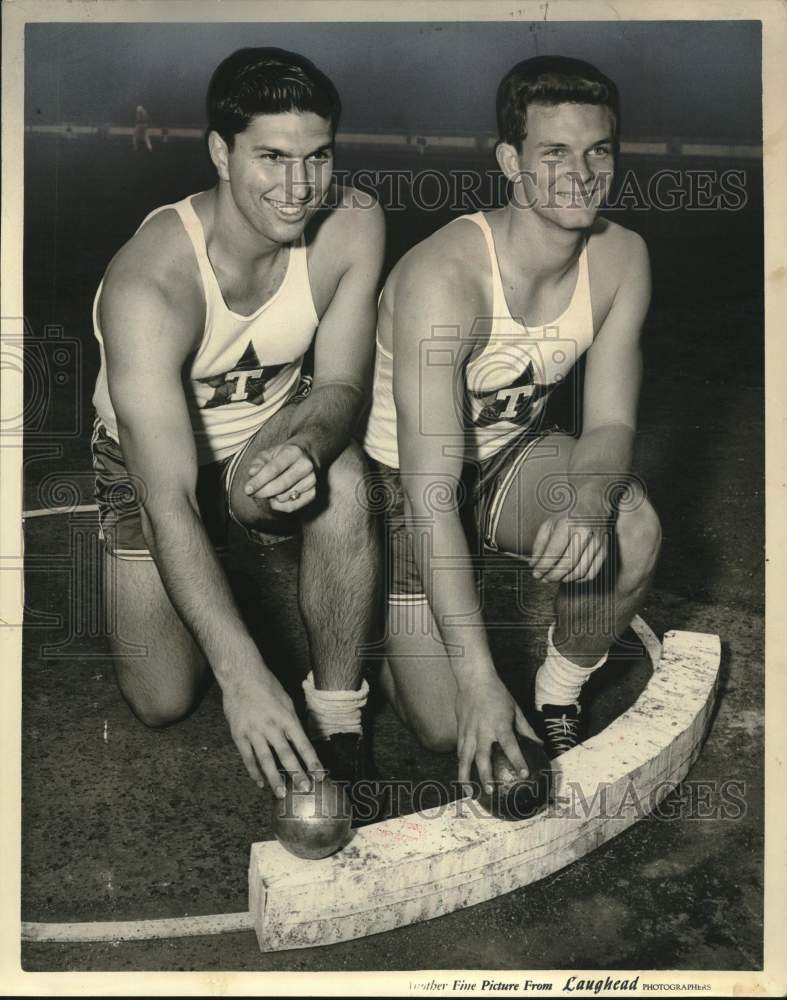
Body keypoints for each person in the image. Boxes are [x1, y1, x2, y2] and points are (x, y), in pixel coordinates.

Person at [92, 48, 385, 808]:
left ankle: (339, 722)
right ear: (222, 153)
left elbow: (345, 382)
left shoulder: (352, 224)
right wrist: (243, 674)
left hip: (268, 437)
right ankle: (240, 590)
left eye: (317, 157)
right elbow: (168, 501)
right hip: (154, 472)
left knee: (345, 480)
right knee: (161, 701)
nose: (298, 187)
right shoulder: (149, 282)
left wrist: (310, 443)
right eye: (272, 158)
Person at [363, 56, 661, 795]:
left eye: (598, 150)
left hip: (503, 460)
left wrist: (587, 500)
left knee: (631, 524)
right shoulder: (446, 276)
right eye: (553, 151)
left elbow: (612, 423)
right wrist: (478, 679)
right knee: (443, 727)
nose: (580, 171)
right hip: (404, 487)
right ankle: (366, 627)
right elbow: (431, 493)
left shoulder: (622, 257)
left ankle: (558, 692)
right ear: (509, 161)